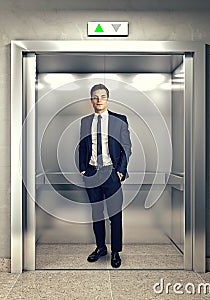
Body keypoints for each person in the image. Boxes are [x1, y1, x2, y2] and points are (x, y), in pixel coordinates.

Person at [79, 83, 132, 268]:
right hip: (92, 173)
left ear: (107, 99)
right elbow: (83, 146)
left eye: (102, 96)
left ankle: (116, 251)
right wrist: (83, 169)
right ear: (91, 99)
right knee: (96, 214)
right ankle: (101, 248)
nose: (99, 99)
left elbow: (126, 147)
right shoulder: (85, 122)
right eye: (95, 96)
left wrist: (120, 172)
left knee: (115, 215)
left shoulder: (120, 119)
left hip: (111, 173)